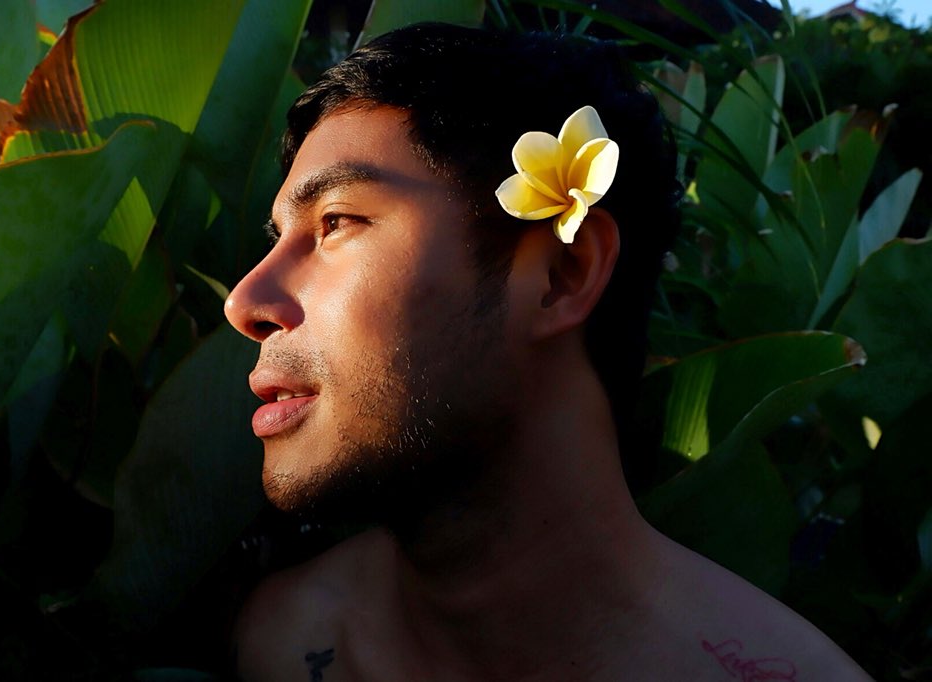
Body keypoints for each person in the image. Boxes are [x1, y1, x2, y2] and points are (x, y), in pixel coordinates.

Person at [223, 22, 870, 681]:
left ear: (561, 275)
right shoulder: (278, 637)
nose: (243, 302)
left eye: (336, 221)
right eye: (277, 238)